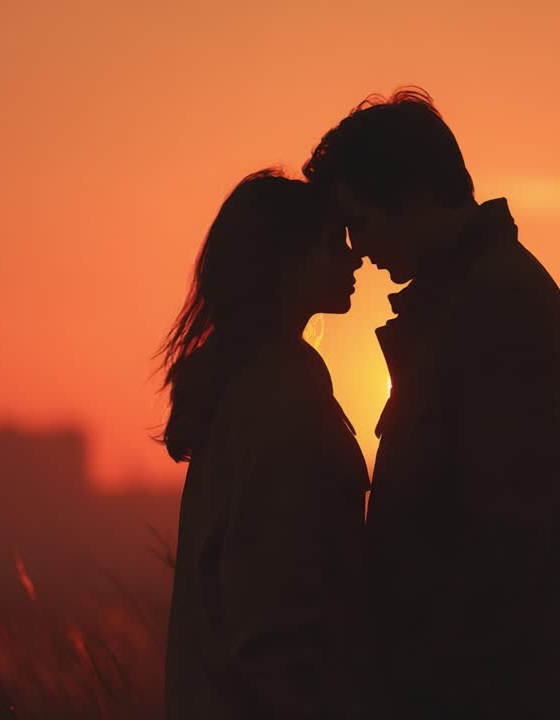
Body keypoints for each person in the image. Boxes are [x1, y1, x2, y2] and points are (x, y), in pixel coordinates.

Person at [304, 89, 560, 719]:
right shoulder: (470, 305)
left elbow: (504, 554)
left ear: (410, 195)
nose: (355, 249)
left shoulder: (499, 309)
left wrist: (416, 689)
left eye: (360, 221)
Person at [160, 169, 368, 719]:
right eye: (332, 244)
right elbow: (276, 623)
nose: (355, 260)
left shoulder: (250, 382)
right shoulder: (278, 396)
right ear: (282, 264)